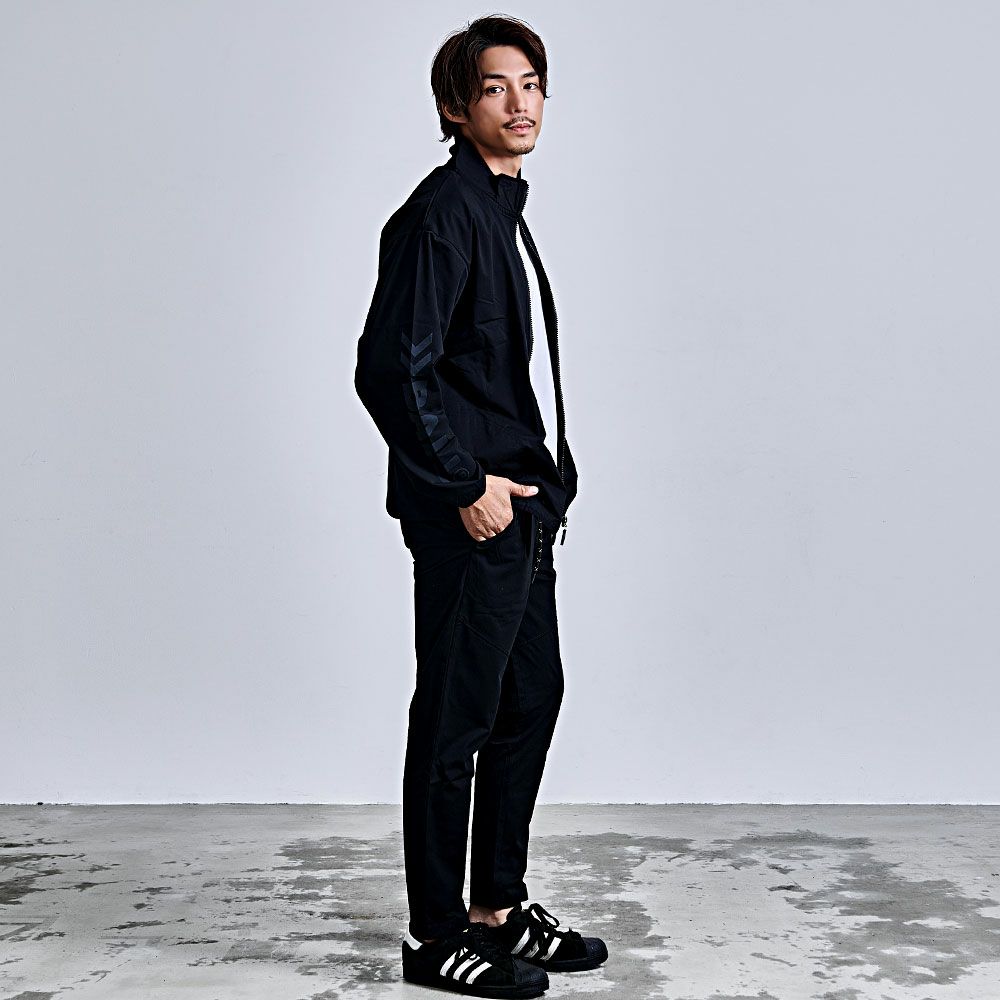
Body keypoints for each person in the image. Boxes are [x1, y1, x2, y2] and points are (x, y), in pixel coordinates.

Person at [354, 14, 607, 997]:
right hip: (473, 514)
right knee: (455, 718)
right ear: (455, 106)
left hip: (522, 509)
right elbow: (390, 370)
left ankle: (496, 909)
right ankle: (433, 937)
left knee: (528, 699)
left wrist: (540, 482)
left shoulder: (499, 208)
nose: (520, 102)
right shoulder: (443, 214)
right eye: (496, 87)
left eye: (531, 83)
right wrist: (463, 483)